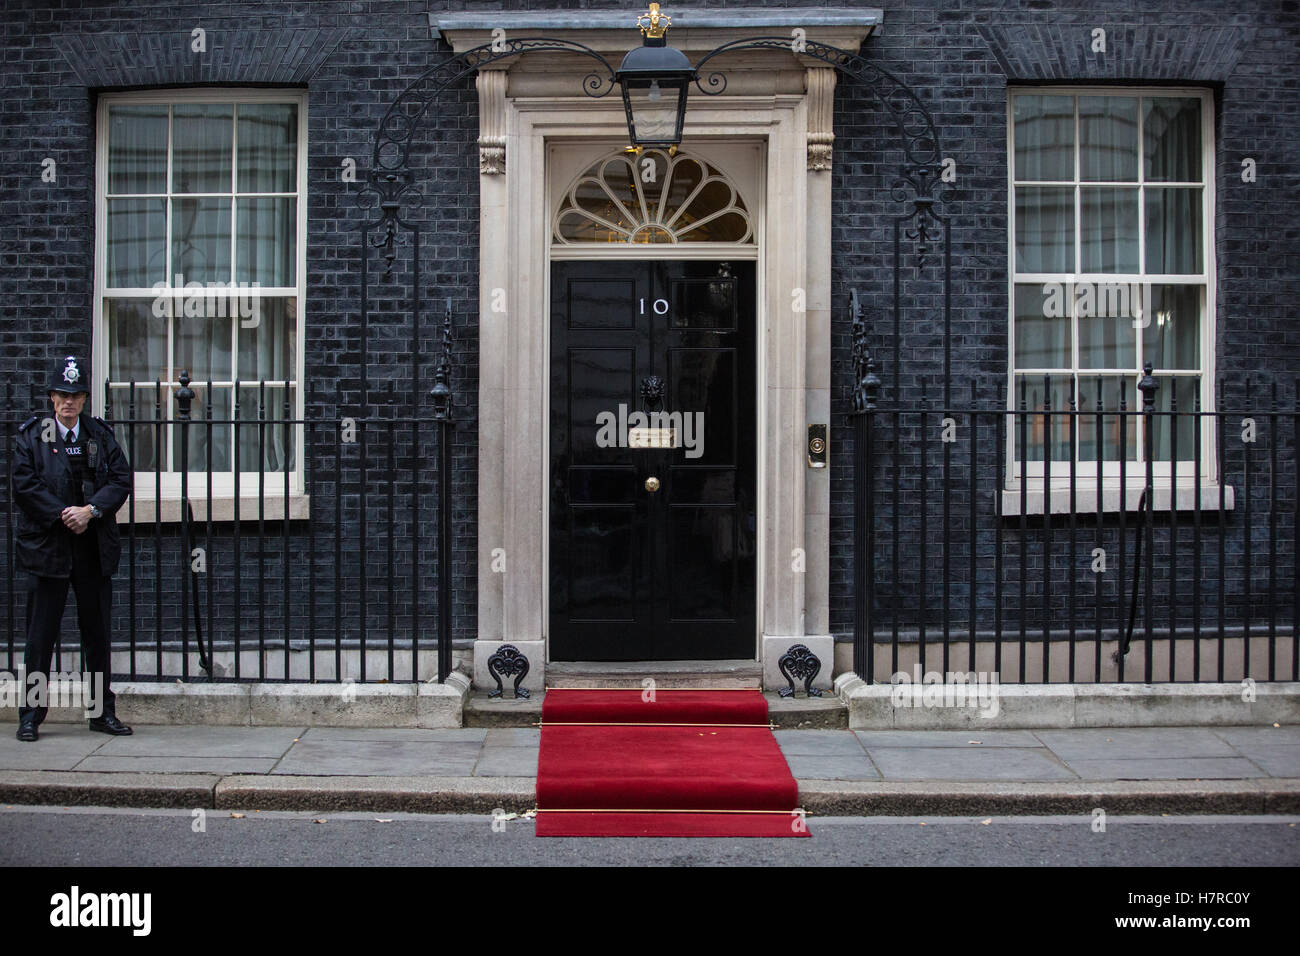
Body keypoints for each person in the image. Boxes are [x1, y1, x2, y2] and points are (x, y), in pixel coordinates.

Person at [12, 355, 133, 741]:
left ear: (84, 399)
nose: (69, 402)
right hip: (48, 549)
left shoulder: (99, 435)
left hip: (92, 549)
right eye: (63, 394)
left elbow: (120, 479)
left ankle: (100, 713)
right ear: (51, 397)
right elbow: (24, 485)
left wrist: (91, 511)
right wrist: (65, 514)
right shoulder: (32, 437)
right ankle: (30, 716)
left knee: (96, 636)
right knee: (40, 638)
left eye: (76, 395)